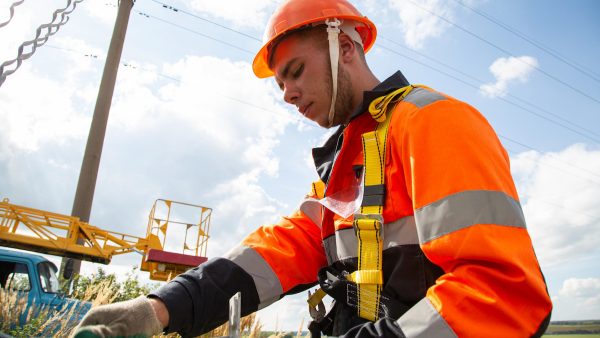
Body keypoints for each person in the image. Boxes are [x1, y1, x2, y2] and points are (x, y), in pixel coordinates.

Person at [74, 0, 553, 337]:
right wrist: (161, 307)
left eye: (295, 72)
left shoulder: (432, 122)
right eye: (280, 83)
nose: (287, 94)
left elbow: (502, 293)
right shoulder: (348, 164)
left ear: (345, 47)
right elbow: (279, 253)